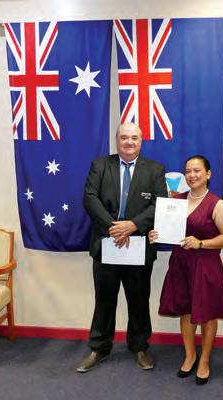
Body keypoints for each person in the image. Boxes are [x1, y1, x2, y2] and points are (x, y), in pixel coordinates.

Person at [77, 122, 168, 373]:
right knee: (104, 300)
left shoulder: (155, 170)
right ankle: (99, 348)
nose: (129, 142)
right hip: (106, 244)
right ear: (117, 140)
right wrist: (114, 228)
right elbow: (89, 198)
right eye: (124, 137)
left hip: (139, 246)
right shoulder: (100, 165)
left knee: (139, 300)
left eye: (134, 138)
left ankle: (139, 347)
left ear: (141, 141)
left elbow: (161, 203)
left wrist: (133, 225)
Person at [149, 154, 223, 385]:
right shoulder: (175, 200)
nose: (191, 175)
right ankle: (190, 355)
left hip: (205, 265)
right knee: (186, 310)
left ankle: (204, 360)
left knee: (207, 314)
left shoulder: (216, 204)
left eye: (197, 170)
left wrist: (201, 243)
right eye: (188, 171)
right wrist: (155, 234)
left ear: (208, 174)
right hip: (180, 263)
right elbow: (166, 230)